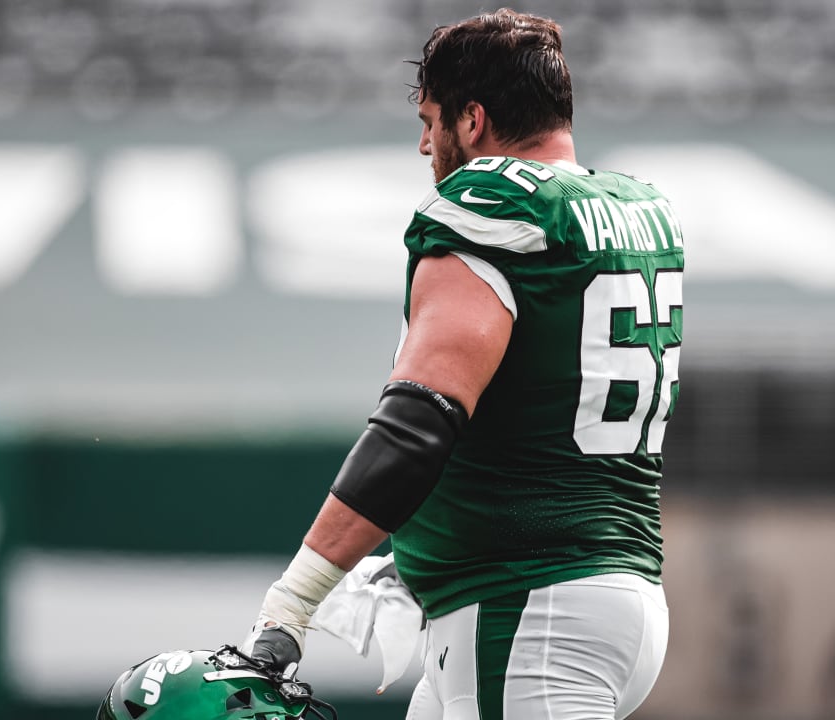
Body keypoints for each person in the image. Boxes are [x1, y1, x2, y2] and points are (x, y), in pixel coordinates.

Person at [245, 8, 685, 719]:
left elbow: (416, 424)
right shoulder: (636, 206)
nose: (425, 144)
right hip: (601, 596)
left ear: (472, 119)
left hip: (528, 608)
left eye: (430, 120)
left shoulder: (491, 206)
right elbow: (540, 414)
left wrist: (293, 601)